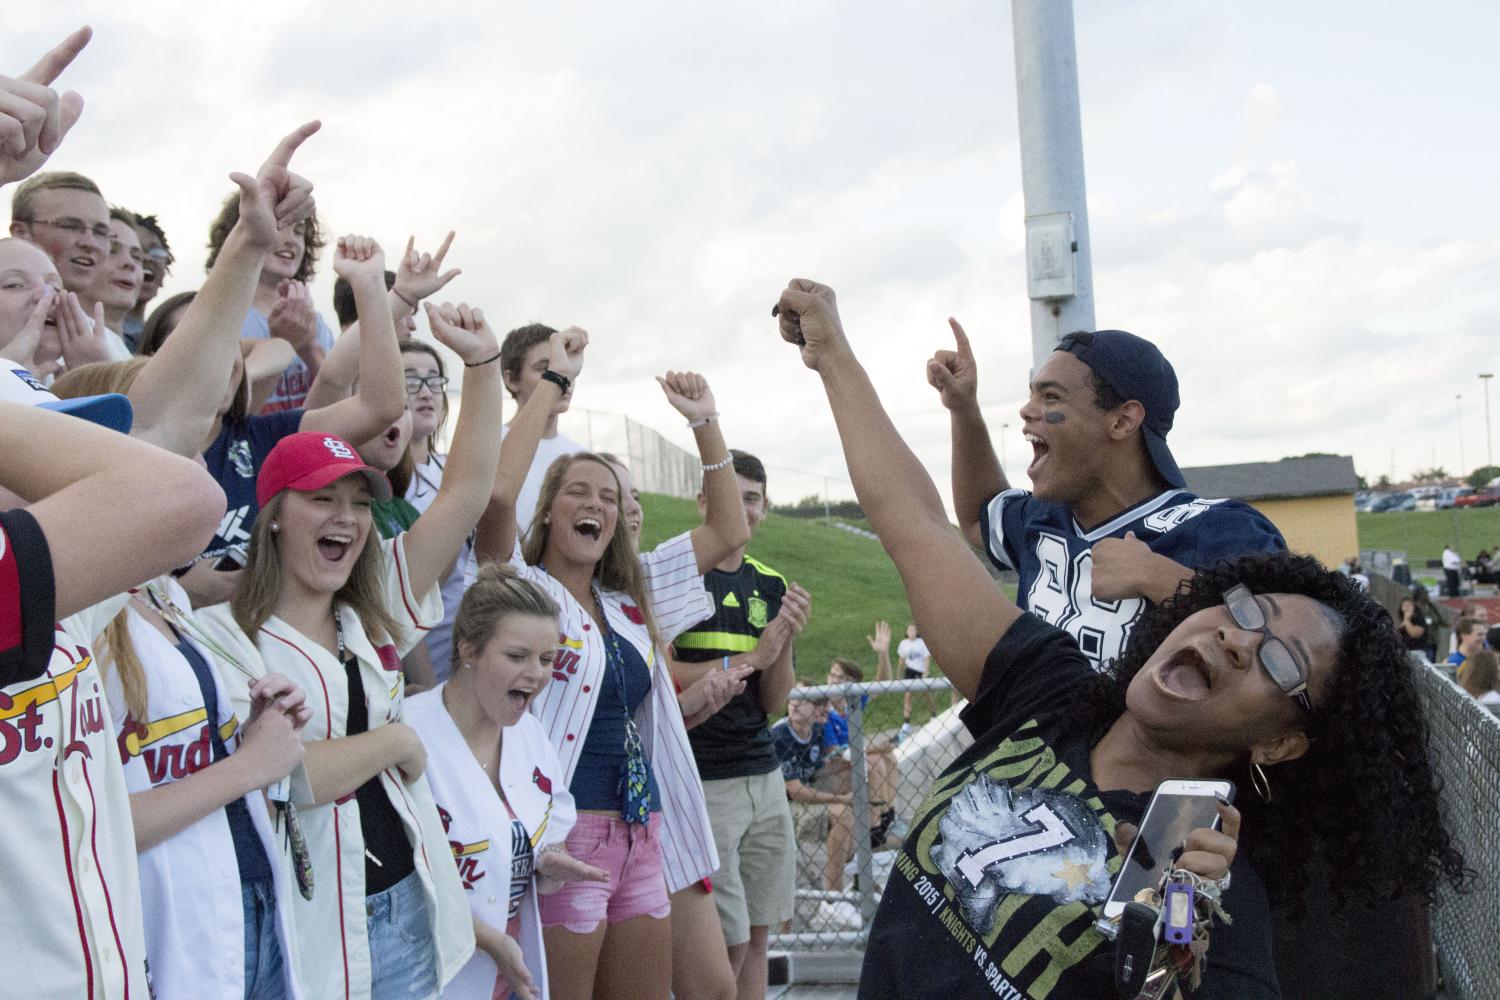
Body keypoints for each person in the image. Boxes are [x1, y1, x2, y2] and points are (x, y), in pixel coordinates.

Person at [772, 277, 1467, 999]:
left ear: (1282, 742)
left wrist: (1177, 954)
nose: (1237, 638)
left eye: (1278, 660)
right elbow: (922, 525)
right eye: (1241, 608)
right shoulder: (1043, 688)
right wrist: (835, 356)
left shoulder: (1194, 880)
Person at [477, 334, 751, 1000]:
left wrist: (706, 425)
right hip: (566, 837)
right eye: (577, 492)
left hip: (643, 830)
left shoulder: (629, 599)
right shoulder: (522, 587)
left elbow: (728, 532)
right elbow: (494, 500)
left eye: (607, 496)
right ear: (548, 508)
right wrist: (554, 380)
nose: (595, 504)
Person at [928, 318, 1285, 670]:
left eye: (1051, 396)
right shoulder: (1045, 519)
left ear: (1122, 421)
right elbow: (979, 516)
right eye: (1032, 394)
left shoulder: (1221, 530)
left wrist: (1160, 578)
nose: (1026, 409)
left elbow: (1291, 649)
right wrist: (963, 408)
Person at [407, 563, 611, 1000]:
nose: (536, 674)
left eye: (546, 660)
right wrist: (484, 937)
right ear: (469, 649)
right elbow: (401, 884)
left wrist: (547, 860)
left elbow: (537, 836)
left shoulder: (532, 735)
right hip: (428, 979)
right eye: (517, 657)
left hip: (510, 975)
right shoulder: (408, 734)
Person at [669, 449, 811, 1000]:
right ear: (705, 502)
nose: (743, 510)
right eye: (732, 497)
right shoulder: (680, 577)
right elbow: (663, 676)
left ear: (765, 508)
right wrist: (755, 652)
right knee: (720, 943)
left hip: (763, 774)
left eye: (751, 499)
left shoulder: (771, 584)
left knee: (756, 937)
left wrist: (784, 643)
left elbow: (772, 702)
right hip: (703, 779)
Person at [204, 190, 333, 412]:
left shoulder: (315, 322)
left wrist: (309, 348)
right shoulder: (219, 318)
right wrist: (282, 344)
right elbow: (216, 409)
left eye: (300, 232)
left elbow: (338, 405)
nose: (291, 240)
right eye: (280, 227)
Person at [498, 322, 586, 540]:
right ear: (511, 380)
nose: (562, 377)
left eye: (563, 366)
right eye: (544, 368)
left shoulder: (581, 456)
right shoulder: (489, 445)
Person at [124, 211, 172, 350]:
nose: (147, 258)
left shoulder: (162, 340)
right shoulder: (90, 331)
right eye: (136, 250)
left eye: (156, 252)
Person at [896, 623, 932, 739]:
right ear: (906, 632)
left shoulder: (922, 643)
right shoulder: (903, 643)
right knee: (908, 696)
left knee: (926, 693)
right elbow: (901, 660)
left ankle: (933, 714)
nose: (912, 632)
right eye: (910, 630)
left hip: (920, 671)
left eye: (914, 630)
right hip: (910, 671)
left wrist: (926, 672)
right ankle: (906, 722)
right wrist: (899, 673)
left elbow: (927, 658)